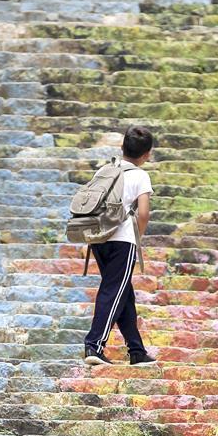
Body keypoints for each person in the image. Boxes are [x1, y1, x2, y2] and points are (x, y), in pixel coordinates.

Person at [83, 125, 158, 366]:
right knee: (113, 291)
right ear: (147, 154)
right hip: (123, 240)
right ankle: (94, 345)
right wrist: (139, 238)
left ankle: (136, 351)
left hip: (99, 238)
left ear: (121, 147)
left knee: (123, 292)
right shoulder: (140, 175)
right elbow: (144, 212)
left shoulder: (105, 170)